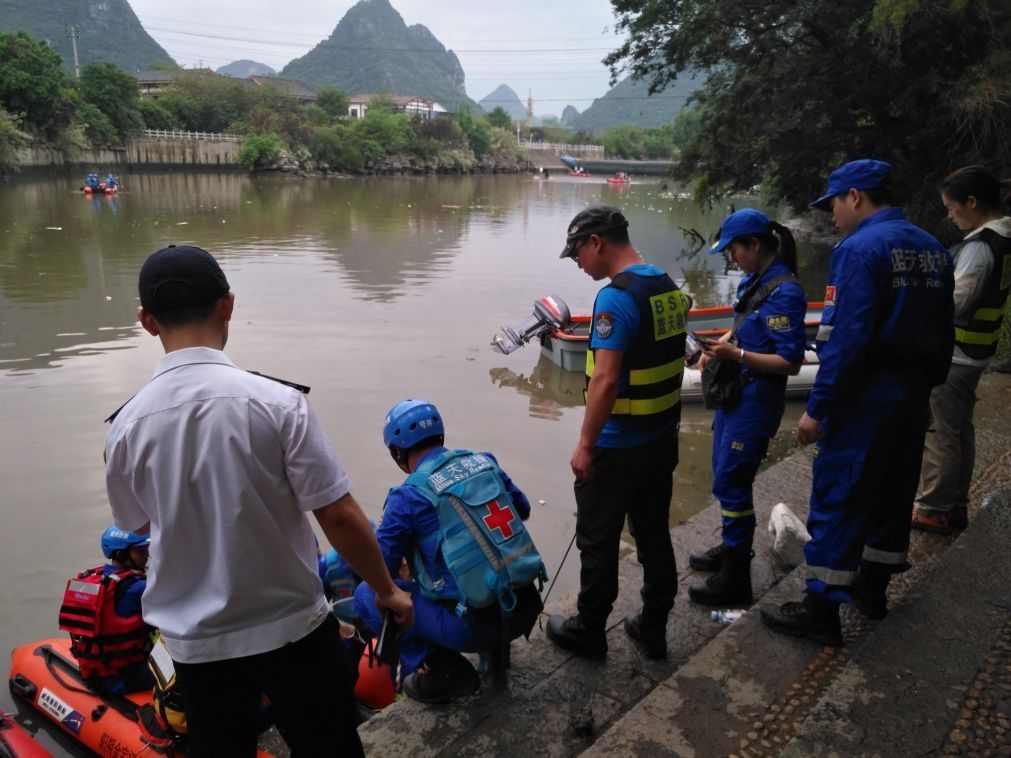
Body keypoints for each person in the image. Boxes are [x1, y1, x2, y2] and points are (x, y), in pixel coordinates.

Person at [104, 244, 413, 756]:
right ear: (228, 304)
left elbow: (135, 525)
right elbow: (337, 514)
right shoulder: (278, 404)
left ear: (147, 321)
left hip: (198, 644)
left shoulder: (125, 430)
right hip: (293, 629)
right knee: (329, 745)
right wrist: (386, 591)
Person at [760, 159, 954, 643]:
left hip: (866, 395)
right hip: (912, 394)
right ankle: (872, 592)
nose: (831, 217)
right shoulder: (934, 248)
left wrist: (818, 408)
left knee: (841, 496)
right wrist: (927, 387)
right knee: (893, 490)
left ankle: (821, 611)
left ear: (855, 196)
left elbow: (846, 338)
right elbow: (944, 330)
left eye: (833, 205)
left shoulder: (859, 250)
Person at [545, 204, 691, 661]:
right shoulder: (667, 286)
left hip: (618, 446)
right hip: (661, 438)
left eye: (577, 254)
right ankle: (653, 627)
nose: (578, 263)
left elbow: (605, 381)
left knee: (597, 539)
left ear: (597, 243)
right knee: (652, 534)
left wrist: (586, 445)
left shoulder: (614, 298)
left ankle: (590, 630)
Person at [353, 399, 544, 704]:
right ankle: (497, 654)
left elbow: (381, 574)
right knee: (479, 568)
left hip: (473, 629)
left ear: (397, 452)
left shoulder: (406, 497)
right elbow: (522, 509)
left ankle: (446, 672)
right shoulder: (484, 461)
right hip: (526, 607)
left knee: (366, 595)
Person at [688, 209, 807, 606]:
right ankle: (730, 548)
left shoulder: (785, 293)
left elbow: (789, 362)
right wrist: (719, 347)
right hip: (735, 399)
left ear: (755, 244)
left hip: (756, 404)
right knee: (723, 476)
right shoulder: (755, 281)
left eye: (735, 249)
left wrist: (736, 354)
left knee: (735, 483)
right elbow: (743, 324)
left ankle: (735, 578)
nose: (731, 257)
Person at [911, 166, 1011, 534]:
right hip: (977, 352)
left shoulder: (980, 247)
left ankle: (933, 507)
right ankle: (955, 504)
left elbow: (954, 304)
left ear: (972, 203)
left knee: (941, 433)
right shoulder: (1002, 239)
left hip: (955, 355)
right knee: (960, 429)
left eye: (953, 207)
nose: (950, 215)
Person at [59, 526, 154, 695]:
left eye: (146, 549)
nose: (147, 555)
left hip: (97, 672)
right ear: (120, 554)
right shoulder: (138, 588)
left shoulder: (96, 578)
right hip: (125, 677)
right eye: (140, 551)